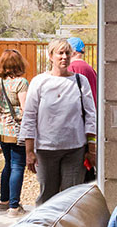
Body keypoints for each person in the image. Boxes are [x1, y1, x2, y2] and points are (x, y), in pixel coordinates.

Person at [18, 38, 97, 205]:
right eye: (60, 53)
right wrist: (29, 151)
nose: (64, 57)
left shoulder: (80, 81)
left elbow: (91, 115)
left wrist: (91, 148)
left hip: (75, 149)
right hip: (46, 150)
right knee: (47, 198)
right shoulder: (39, 82)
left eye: (67, 53)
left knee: (71, 199)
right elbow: (29, 116)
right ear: (50, 56)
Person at [0, 49, 28, 216]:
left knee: (8, 164)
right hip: (17, 130)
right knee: (18, 165)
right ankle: (14, 206)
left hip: (2, 129)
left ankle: (3, 201)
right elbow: (26, 108)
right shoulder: (21, 83)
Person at [66, 36, 99, 183]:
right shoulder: (90, 69)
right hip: (91, 120)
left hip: (78, 123)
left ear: (72, 51)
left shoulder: (72, 69)